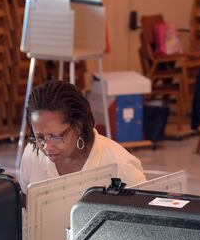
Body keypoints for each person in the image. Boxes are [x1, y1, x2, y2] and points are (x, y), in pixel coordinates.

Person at [19, 80, 147, 191]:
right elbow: (24, 207)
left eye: (55, 136)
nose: (47, 147)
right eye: (40, 138)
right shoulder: (32, 155)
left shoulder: (121, 166)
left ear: (78, 126)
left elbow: (145, 210)